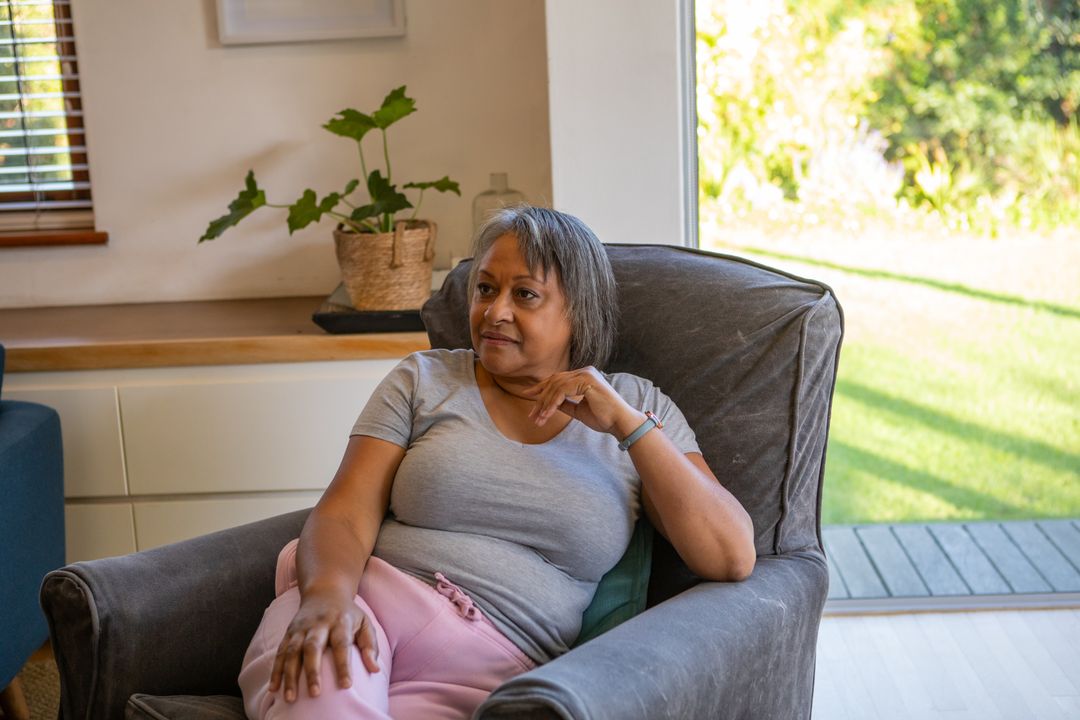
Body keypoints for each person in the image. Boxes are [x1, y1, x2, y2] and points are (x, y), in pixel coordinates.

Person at [237, 205, 756, 719]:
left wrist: (628, 427)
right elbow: (345, 511)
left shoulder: (640, 408)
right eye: (485, 289)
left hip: (490, 671)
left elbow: (730, 556)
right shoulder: (424, 379)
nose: (494, 312)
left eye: (524, 294)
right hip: (360, 611)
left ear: (579, 310)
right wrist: (327, 596)